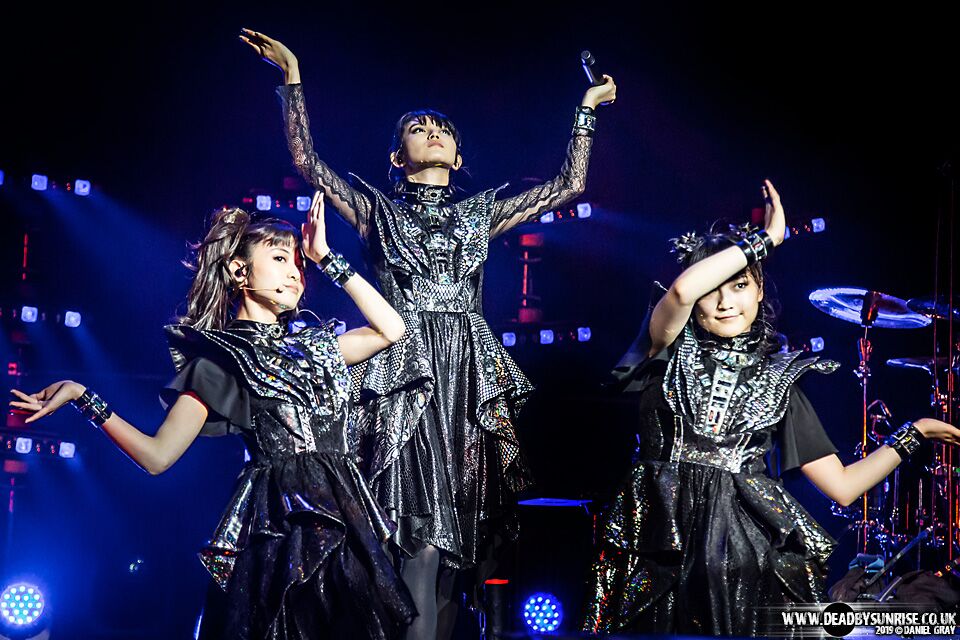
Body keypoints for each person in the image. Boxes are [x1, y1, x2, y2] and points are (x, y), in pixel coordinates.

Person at [239, 28, 617, 639]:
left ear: (459, 157)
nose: (432, 132)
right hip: (400, 368)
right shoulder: (374, 210)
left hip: (468, 374)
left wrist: (586, 111)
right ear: (398, 156)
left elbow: (569, 186)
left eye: (441, 128)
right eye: (416, 128)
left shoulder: (481, 211)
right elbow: (307, 162)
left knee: (459, 545)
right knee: (410, 527)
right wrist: (293, 78)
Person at [9, 193, 416, 640]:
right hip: (279, 524)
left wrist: (327, 258)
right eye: (280, 258)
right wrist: (83, 396)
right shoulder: (218, 362)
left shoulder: (318, 347)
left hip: (345, 512)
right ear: (240, 272)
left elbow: (392, 329)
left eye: (299, 264)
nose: (295, 272)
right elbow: (156, 456)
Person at [581, 180, 960, 637]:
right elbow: (680, 293)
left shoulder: (780, 381)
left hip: (741, 551)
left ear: (759, 290)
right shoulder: (665, 348)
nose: (724, 301)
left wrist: (914, 432)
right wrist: (763, 240)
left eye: (740, 286)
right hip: (658, 536)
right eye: (713, 290)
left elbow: (842, 486)